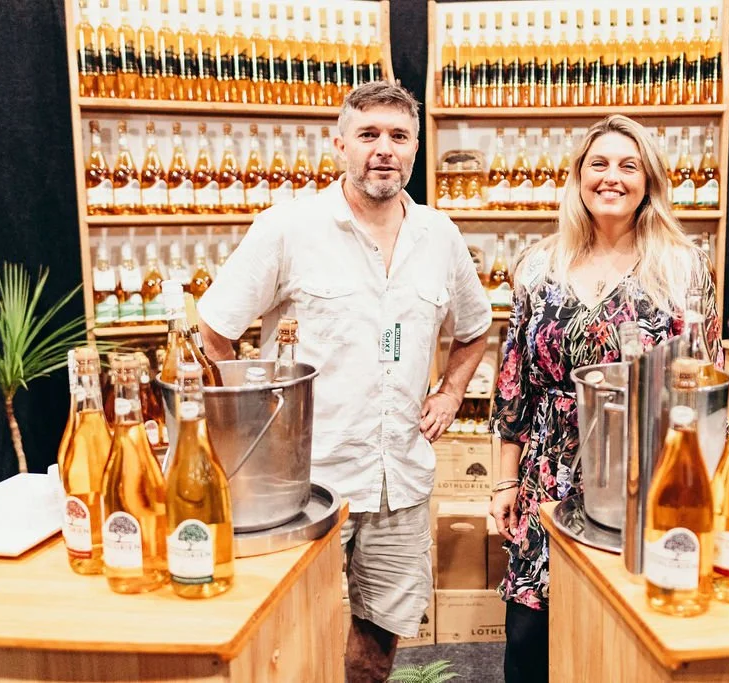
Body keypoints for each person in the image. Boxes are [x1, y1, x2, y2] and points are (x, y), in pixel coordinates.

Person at [197, 82, 492, 683]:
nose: (383, 149)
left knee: (379, 640)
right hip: (302, 484)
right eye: (368, 135)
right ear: (340, 146)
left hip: (399, 479)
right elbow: (215, 332)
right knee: (284, 635)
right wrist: (255, 434)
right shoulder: (288, 228)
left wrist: (450, 393)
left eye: (398, 136)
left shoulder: (440, 236)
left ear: (414, 149)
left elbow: (476, 329)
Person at [489, 115, 723, 682]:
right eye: (599, 164)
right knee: (531, 640)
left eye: (628, 165)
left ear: (649, 181)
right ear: (578, 177)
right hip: (547, 478)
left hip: (647, 477)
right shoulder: (540, 266)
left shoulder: (683, 268)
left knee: (626, 636)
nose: (611, 177)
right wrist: (502, 481)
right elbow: (514, 382)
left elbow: (706, 383)